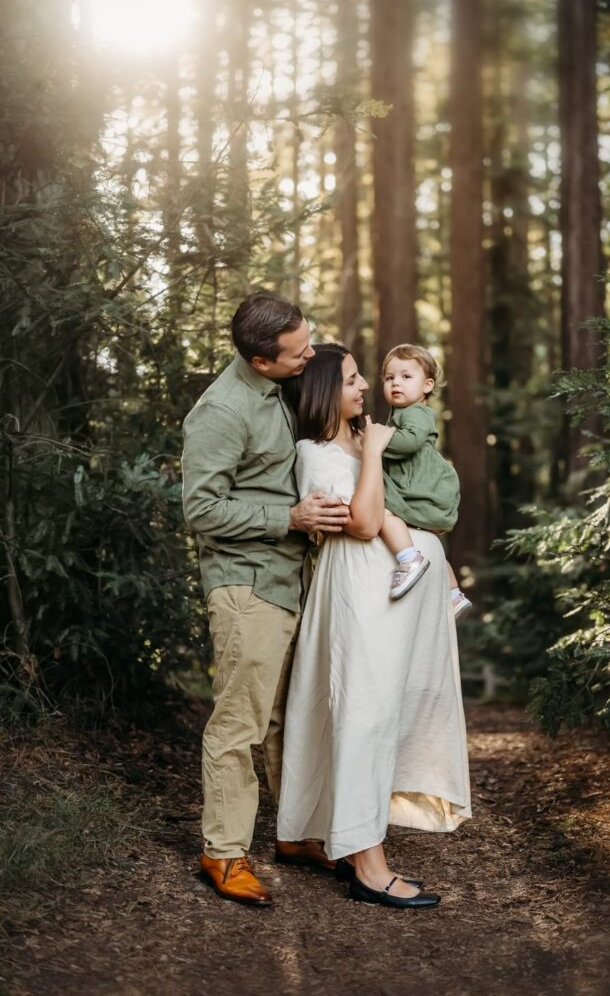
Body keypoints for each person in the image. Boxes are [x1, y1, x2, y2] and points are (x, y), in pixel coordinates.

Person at [277, 344, 471, 910]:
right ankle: (367, 862)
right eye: (354, 379)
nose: (366, 387)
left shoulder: (360, 442)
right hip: (361, 597)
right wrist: (372, 455)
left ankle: (317, 832)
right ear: (324, 393)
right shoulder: (316, 451)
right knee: (363, 715)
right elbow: (364, 522)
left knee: (379, 713)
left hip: (389, 603)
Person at [181, 292, 350, 907]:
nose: (311, 353)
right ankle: (223, 854)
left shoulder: (283, 383)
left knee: (286, 717)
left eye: (309, 339)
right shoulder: (220, 413)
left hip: (288, 580)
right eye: (299, 350)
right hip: (246, 585)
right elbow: (200, 509)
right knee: (240, 722)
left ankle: (295, 834)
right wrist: (291, 516)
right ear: (260, 361)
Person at [380, 344, 473, 619]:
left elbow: (409, 443)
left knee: (383, 510)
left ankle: (408, 559)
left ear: (427, 385)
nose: (396, 382)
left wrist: (373, 439)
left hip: (416, 487)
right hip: (417, 484)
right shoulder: (404, 412)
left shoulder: (416, 413)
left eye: (406, 377)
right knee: (428, 541)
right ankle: (454, 594)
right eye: (389, 377)